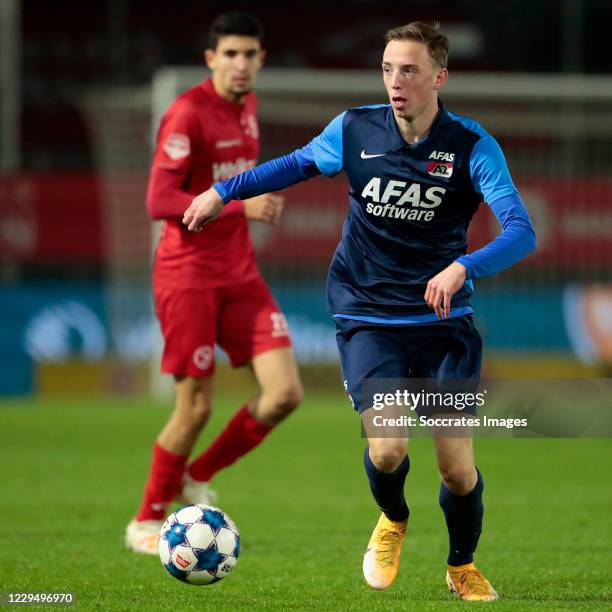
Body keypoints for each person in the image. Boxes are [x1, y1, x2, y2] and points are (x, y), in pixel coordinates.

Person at [182, 21, 536, 601]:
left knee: (456, 469)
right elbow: (293, 165)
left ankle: (460, 565)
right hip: (368, 315)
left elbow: (522, 233)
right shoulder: (353, 129)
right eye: (389, 69)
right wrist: (225, 192)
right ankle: (393, 518)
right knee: (389, 447)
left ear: (439, 77)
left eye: (411, 70)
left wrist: (463, 266)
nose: (396, 82)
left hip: (443, 324)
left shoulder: (474, 147)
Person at [126, 11, 303, 555]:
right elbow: (160, 201)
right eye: (230, 54)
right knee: (195, 407)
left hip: (240, 274)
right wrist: (239, 205)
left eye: (250, 55)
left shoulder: (247, 107)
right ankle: (145, 520)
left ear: (261, 60)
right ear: (211, 59)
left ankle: (194, 475)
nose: (241, 64)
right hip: (190, 277)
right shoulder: (187, 114)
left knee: (284, 394)